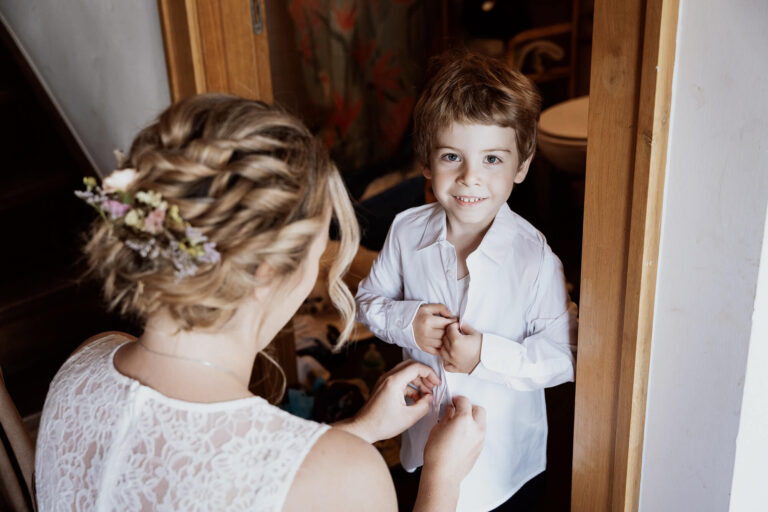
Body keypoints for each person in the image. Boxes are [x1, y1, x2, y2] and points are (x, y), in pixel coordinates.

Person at [34, 94, 486, 511]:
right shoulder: (348, 479)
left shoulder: (85, 363)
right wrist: (442, 479)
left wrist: (358, 432)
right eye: (317, 251)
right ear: (266, 273)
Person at [355, 52, 578, 511]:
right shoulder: (405, 231)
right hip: (422, 442)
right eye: (452, 156)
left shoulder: (535, 260)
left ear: (521, 166)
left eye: (492, 158)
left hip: (506, 467)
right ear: (426, 162)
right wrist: (407, 321)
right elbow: (367, 301)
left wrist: (484, 356)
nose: (470, 177)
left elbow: (562, 356)